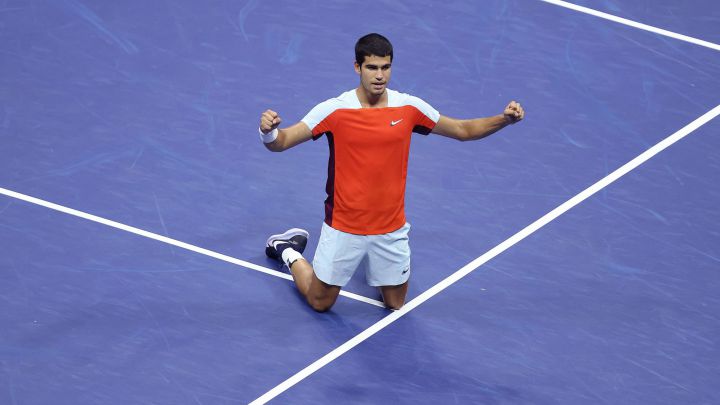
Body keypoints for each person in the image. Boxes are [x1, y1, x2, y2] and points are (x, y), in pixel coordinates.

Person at [259, 33, 524, 312]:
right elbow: (283, 142)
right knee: (320, 301)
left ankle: (373, 261)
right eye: (372, 67)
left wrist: (503, 120)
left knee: (395, 303)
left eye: (385, 67)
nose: (379, 75)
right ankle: (285, 249)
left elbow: (462, 130)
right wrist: (269, 132)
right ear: (357, 67)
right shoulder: (334, 110)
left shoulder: (408, 107)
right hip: (343, 226)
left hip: (390, 227)